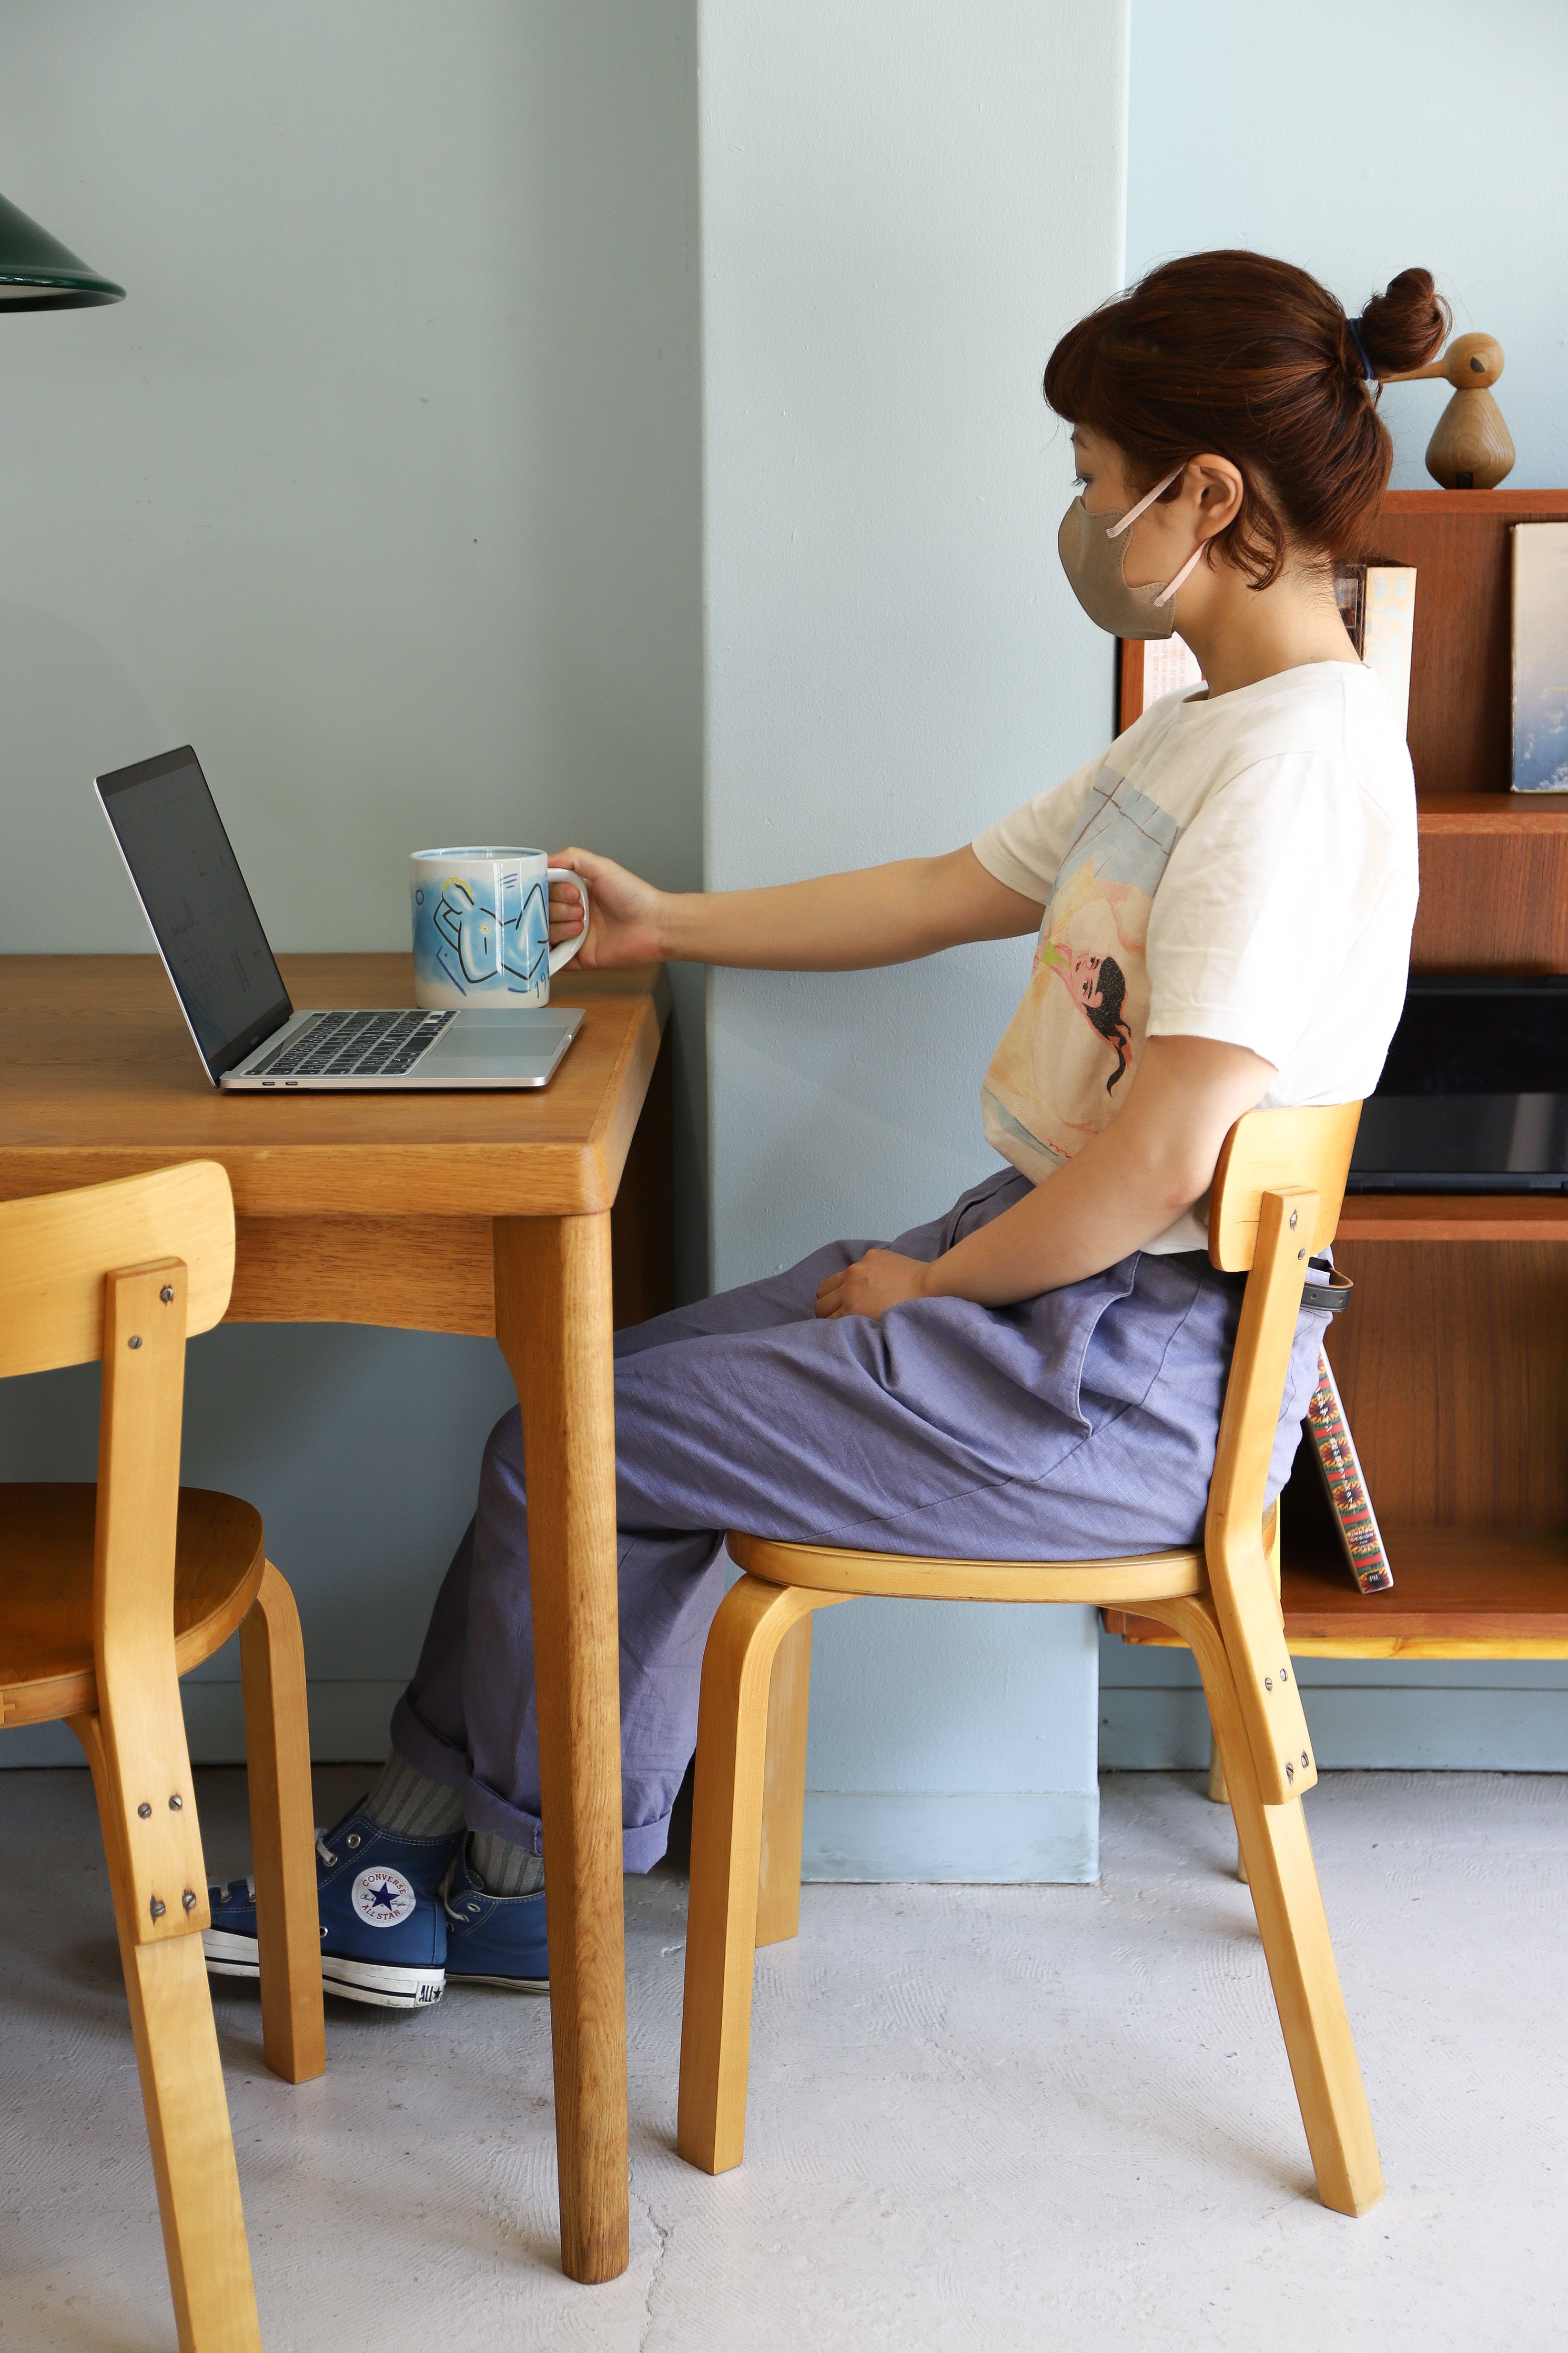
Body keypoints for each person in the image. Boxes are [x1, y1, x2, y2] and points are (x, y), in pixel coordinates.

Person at [204, 250, 1440, 2009]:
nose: (1085, 521)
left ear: (1208, 496)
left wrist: (925, 1294)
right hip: (1046, 1297)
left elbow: (1166, 1159)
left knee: (570, 1440)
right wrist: (663, 926)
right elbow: (950, 886)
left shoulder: (1291, 775)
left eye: (1098, 480)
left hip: (1107, 1375)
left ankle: (485, 1871)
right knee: (585, 1407)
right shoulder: (1203, 732)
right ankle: (469, 1855)